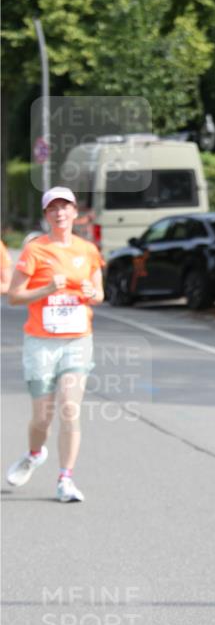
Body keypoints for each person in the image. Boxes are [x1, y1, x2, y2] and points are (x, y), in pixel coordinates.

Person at [6, 187, 104, 502]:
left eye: (65, 207)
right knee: (42, 417)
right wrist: (47, 288)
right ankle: (35, 452)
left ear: (76, 213)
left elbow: (99, 295)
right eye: (53, 209)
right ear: (46, 215)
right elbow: (13, 297)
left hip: (77, 340)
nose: (60, 213)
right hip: (41, 343)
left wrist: (92, 293)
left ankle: (65, 479)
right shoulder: (35, 250)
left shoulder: (88, 250)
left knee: (70, 408)